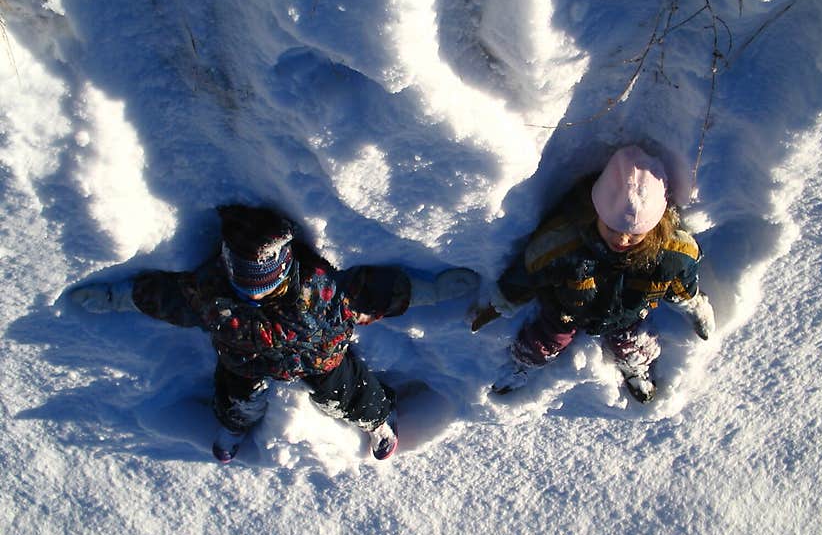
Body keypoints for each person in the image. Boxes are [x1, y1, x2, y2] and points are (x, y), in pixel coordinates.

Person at [69, 205, 478, 463]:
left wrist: (434, 290)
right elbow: (166, 297)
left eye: (264, 284)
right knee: (235, 397)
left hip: (322, 359)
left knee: (348, 394)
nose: (253, 292)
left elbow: (378, 292)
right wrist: (114, 297)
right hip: (245, 361)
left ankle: (378, 421)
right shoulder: (213, 295)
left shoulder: (321, 290)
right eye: (244, 283)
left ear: (285, 267)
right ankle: (235, 426)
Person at [473, 145, 716, 402]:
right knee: (543, 342)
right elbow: (530, 271)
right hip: (566, 309)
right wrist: (502, 302)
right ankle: (523, 364)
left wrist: (695, 307)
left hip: (627, 314)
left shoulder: (670, 251)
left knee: (634, 346)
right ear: (597, 211)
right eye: (612, 227)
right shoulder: (563, 244)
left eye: (635, 233)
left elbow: (682, 285)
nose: (622, 238)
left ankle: (636, 368)